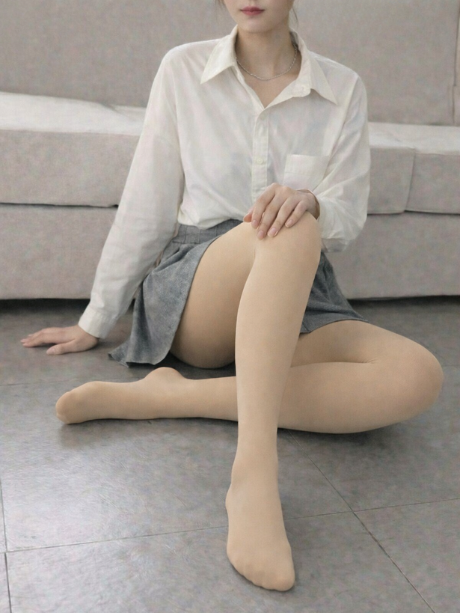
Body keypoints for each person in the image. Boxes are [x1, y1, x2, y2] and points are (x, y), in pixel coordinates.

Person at [20, 0, 444, 593]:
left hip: (301, 285)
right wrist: (97, 317)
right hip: (202, 282)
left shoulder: (343, 88)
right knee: (287, 223)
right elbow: (147, 202)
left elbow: (346, 214)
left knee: (416, 375)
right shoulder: (183, 68)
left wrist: (312, 201)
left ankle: (174, 397)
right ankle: (253, 475)